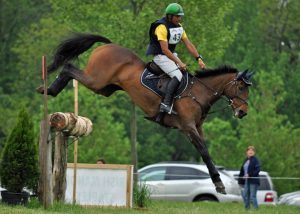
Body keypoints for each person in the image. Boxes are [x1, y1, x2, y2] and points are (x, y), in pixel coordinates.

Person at [146, 3, 206, 114]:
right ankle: (166, 104)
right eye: (177, 16)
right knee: (177, 75)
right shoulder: (161, 27)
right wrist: (179, 62)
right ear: (170, 16)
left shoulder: (179, 28)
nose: (180, 18)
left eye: (181, 16)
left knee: (185, 74)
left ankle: (179, 101)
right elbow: (164, 50)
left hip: (171, 55)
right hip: (160, 56)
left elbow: (189, 44)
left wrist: (198, 58)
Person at [238, 146, 260, 210]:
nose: (250, 151)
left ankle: (256, 209)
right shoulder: (246, 160)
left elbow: (257, 170)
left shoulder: (255, 160)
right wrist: (240, 180)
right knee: (245, 195)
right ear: (246, 152)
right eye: (249, 150)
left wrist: (249, 175)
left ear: (254, 152)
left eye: (252, 150)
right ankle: (247, 209)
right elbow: (242, 170)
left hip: (253, 180)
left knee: (252, 196)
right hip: (246, 180)